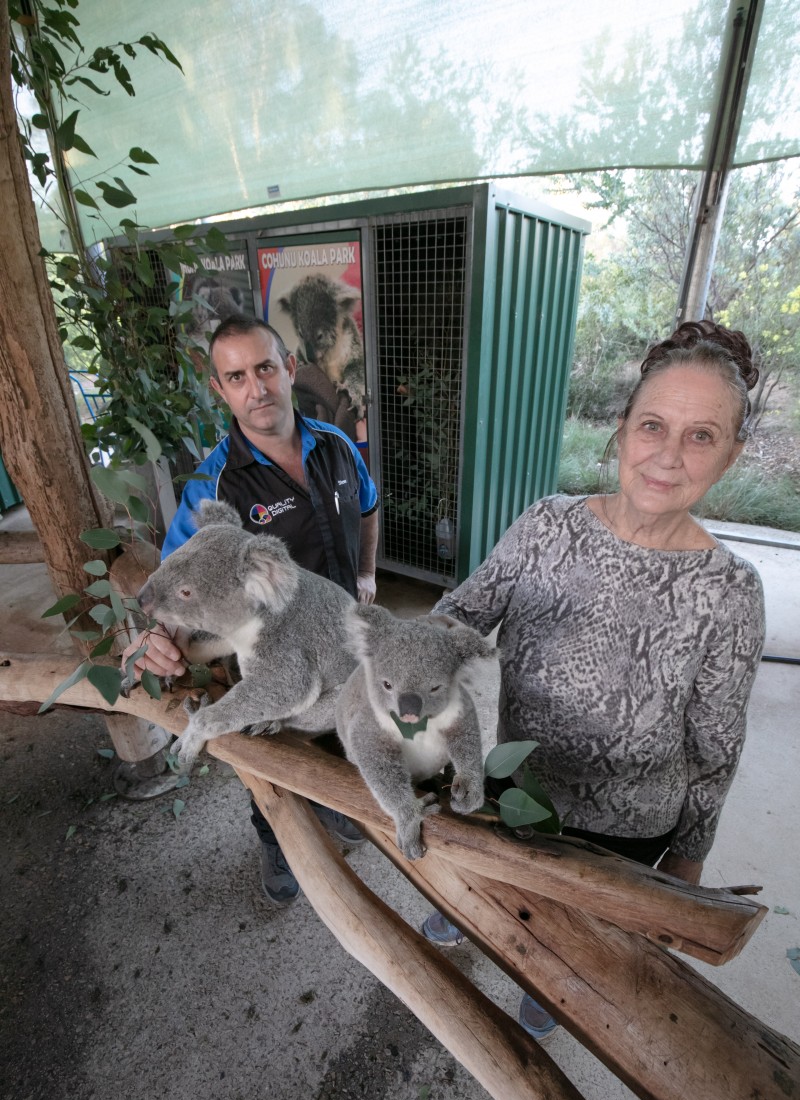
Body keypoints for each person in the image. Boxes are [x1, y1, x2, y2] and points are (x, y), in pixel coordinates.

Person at [421, 320, 766, 1042]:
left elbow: (714, 745)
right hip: (520, 787)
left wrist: (689, 859)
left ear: (731, 455)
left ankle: (550, 986)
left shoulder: (731, 591)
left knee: (573, 947)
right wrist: (407, 667)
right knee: (495, 884)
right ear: (620, 431)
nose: (668, 456)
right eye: (652, 426)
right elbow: (464, 612)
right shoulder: (548, 525)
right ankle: (470, 910)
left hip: (630, 832)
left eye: (701, 436)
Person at [123, 315, 380, 905]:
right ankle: (275, 841)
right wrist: (154, 636)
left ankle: (337, 808)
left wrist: (366, 572)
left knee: (343, 729)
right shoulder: (213, 486)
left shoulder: (338, 448)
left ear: (289, 368)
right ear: (220, 389)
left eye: (265, 368)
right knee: (267, 752)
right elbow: (176, 581)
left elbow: (367, 508)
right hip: (266, 652)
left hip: (341, 632)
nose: (256, 388)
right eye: (236, 376)